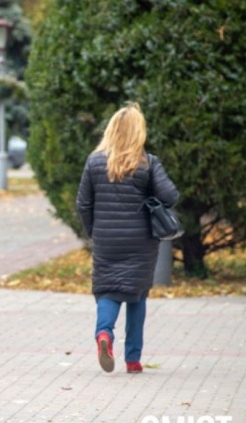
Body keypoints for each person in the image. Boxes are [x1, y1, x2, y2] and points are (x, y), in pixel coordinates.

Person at [75, 103, 179, 374]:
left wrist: (94, 231)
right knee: (137, 295)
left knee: (107, 290)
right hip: (140, 241)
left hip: (106, 239)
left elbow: (83, 204)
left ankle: (104, 335)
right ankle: (132, 359)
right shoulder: (147, 162)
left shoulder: (94, 161)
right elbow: (170, 196)